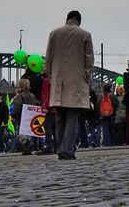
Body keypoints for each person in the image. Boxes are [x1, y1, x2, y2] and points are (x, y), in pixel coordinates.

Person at [44, 10, 94, 160]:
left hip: (58, 83)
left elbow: (48, 59)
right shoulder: (85, 35)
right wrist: (86, 77)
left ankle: (59, 148)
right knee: (72, 117)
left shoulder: (54, 34)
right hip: (77, 83)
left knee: (60, 117)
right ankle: (68, 149)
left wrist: (52, 76)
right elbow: (89, 60)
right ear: (78, 20)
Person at [11, 79, 40, 154]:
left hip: (21, 117)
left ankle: (27, 143)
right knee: (28, 133)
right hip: (30, 116)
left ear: (21, 86)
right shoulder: (32, 96)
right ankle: (27, 150)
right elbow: (37, 104)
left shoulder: (20, 96)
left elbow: (17, 107)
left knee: (19, 133)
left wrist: (13, 114)